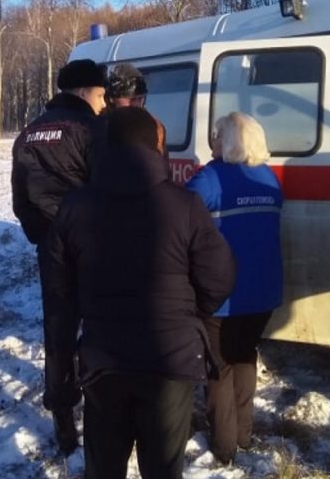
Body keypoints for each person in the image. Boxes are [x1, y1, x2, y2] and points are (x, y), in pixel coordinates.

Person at [43, 106, 236, 478]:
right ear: (154, 146)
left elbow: (59, 298)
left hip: (103, 363)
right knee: (163, 469)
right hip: (170, 360)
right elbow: (220, 277)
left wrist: (62, 370)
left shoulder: (74, 207)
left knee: (103, 469)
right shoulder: (185, 205)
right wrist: (189, 312)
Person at [11, 58, 106, 454]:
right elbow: (106, 190)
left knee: (59, 330)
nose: (104, 102)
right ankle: (103, 405)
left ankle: (63, 421)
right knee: (101, 326)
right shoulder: (93, 129)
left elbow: (21, 200)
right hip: (93, 244)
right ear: (84, 91)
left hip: (51, 246)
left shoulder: (28, 134)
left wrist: (44, 235)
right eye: (101, 94)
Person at [185, 111, 284, 464]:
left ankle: (224, 447)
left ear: (225, 142)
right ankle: (244, 433)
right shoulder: (269, 179)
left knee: (219, 367)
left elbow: (181, 219)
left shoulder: (209, 179)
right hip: (263, 294)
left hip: (223, 296)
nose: (211, 140)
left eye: (215, 135)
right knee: (244, 356)